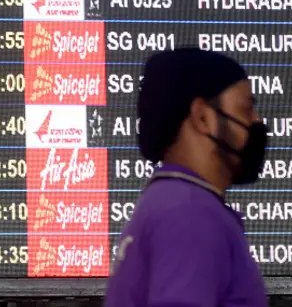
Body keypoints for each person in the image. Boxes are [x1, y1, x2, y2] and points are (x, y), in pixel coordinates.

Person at [105, 47, 269, 307]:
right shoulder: (190, 213)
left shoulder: (171, 200)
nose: (256, 121)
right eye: (245, 109)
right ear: (203, 117)